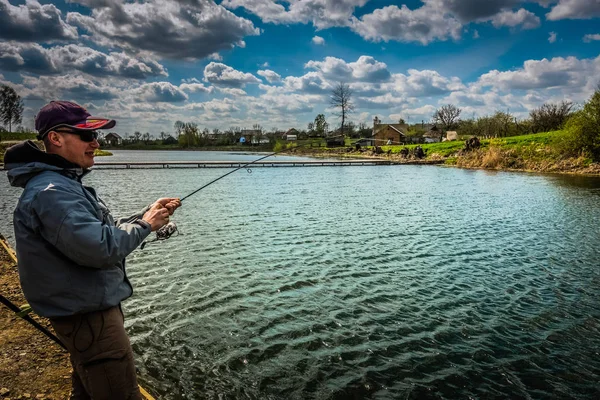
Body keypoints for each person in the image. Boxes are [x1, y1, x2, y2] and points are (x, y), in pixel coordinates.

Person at [4, 100, 181, 399]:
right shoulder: (54, 192)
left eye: (95, 136)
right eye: (86, 136)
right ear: (55, 139)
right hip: (90, 319)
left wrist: (146, 214)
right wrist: (147, 225)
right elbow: (100, 248)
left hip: (85, 314)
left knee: (88, 391)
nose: (95, 143)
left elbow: (99, 232)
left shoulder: (61, 184)